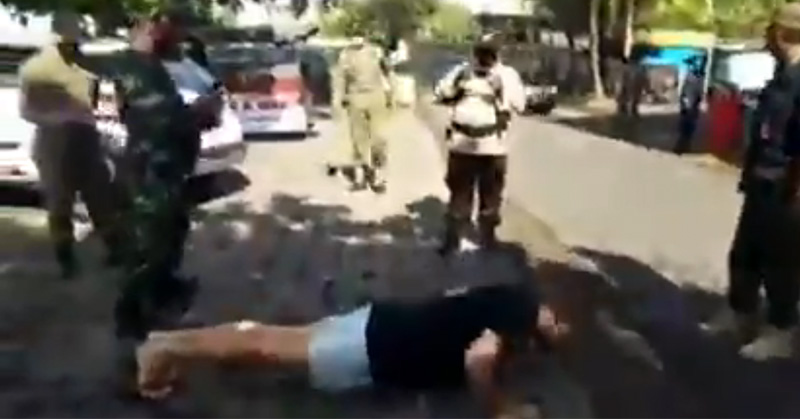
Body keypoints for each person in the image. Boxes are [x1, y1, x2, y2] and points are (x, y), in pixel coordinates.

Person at [135, 282, 568, 417]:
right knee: (262, 345)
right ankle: (164, 346)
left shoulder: (514, 295)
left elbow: (456, 296)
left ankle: (171, 346)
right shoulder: (518, 317)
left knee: (265, 341)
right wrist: (504, 410)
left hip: (379, 325)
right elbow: (478, 361)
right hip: (374, 346)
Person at [91, 9, 224, 384]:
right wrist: (198, 114)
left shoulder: (155, 66)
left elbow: (167, 114)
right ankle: (133, 328)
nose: (179, 35)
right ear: (150, 25)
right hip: (147, 175)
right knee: (147, 249)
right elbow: (155, 121)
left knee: (171, 235)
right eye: (173, 27)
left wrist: (196, 113)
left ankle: (165, 295)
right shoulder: (127, 68)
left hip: (168, 171)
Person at [704, 3, 800, 361]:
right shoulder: (782, 75)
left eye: (771, 30)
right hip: (762, 178)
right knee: (745, 253)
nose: (766, 37)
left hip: (786, 185)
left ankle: (781, 330)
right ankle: (740, 314)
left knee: (782, 262)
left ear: (785, 33)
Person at [18, 11, 123, 279]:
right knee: (60, 202)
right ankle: (66, 259)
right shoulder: (36, 68)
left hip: (87, 137)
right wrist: (60, 117)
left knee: (99, 196)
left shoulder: (86, 65)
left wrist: (105, 115)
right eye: (70, 35)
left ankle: (115, 249)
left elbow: (103, 101)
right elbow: (26, 110)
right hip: (55, 139)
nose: (75, 42)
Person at [434, 37, 525, 256]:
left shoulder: (507, 75)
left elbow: (520, 105)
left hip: (492, 147)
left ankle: (487, 238)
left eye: (488, 53)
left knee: (490, 198)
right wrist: (459, 86)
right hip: (462, 145)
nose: (483, 59)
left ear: (497, 55)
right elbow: (440, 93)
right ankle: (453, 239)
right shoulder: (462, 72)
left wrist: (501, 89)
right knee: (459, 196)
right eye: (481, 53)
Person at [333, 34, 393, 193]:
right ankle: (362, 177)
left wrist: (390, 93)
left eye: (360, 36)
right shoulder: (345, 55)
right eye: (354, 36)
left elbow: (387, 72)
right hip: (355, 97)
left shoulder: (375, 52)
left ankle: (377, 176)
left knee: (379, 138)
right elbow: (340, 79)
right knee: (359, 140)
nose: (357, 39)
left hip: (376, 96)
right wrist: (338, 100)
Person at [674, 57, 705, 155]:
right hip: (688, 106)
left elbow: (698, 94)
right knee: (685, 126)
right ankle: (682, 146)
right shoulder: (691, 78)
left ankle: (683, 146)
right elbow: (684, 92)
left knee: (687, 127)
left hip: (691, 106)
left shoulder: (696, 78)